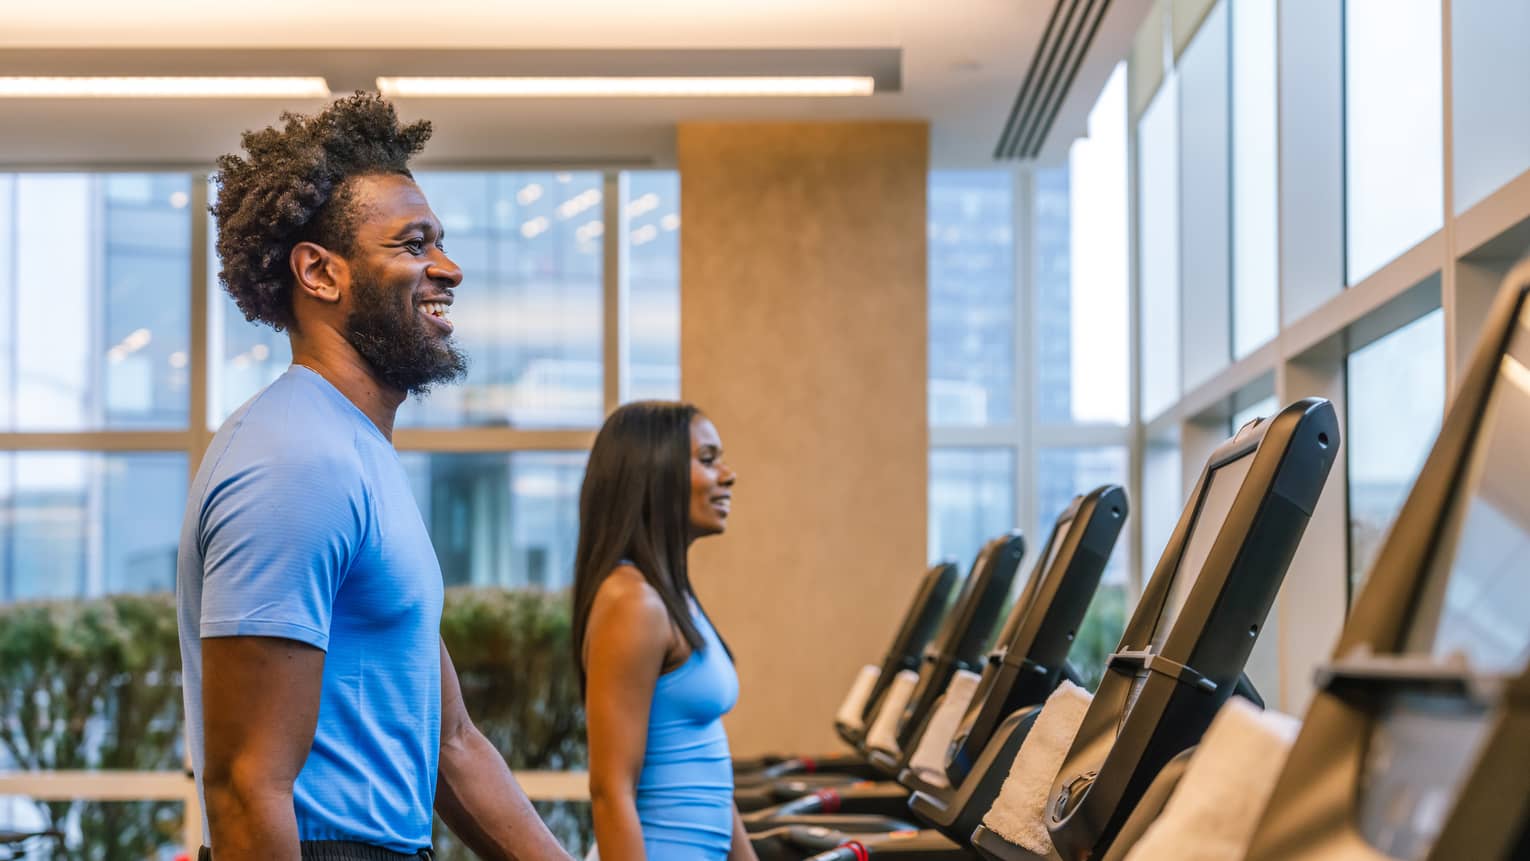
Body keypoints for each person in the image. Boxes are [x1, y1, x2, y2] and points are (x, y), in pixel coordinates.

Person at [176, 92, 573, 861]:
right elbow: (245, 789)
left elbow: (452, 743)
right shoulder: (293, 458)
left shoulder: (355, 454)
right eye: (415, 244)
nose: (448, 269)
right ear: (319, 272)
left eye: (441, 243)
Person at [571, 402, 756, 861]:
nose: (728, 475)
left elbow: (709, 778)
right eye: (709, 459)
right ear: (655, 472)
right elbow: (611, 792)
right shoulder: (633, 602)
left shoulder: (670, 595)